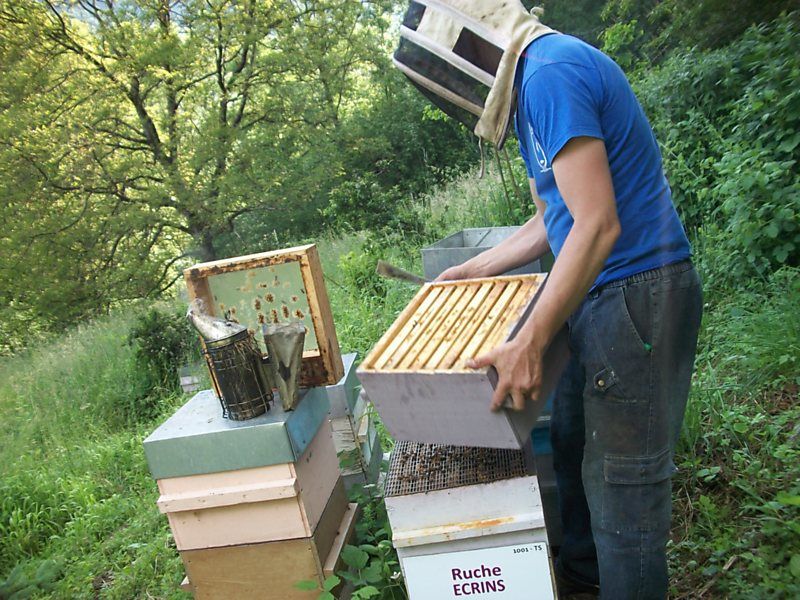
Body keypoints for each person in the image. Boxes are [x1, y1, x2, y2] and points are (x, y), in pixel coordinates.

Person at [433, 29, 703, 600]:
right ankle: (585, 579)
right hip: (600, 298)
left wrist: (529, 338)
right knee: (576, 442)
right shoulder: (532, 90)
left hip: (636, 295)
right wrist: (476, 268)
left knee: (623, 493)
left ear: (476, 42)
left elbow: (598, 223)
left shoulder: (549, 73)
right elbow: (551, 219)